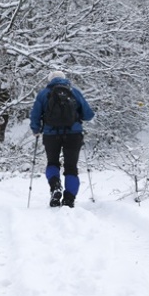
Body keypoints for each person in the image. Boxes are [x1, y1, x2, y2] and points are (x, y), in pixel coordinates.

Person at [29, 70, 95, 208]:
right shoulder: (74, 92)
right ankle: (69, 199)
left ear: (50, 80)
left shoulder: (43, 94)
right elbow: (88, 115)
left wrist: (36, 130)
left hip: (51, 135)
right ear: (64, 79)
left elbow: (35, 115)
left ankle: (55, 187)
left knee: (52, 163)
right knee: (71, 167)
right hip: (73, 135)